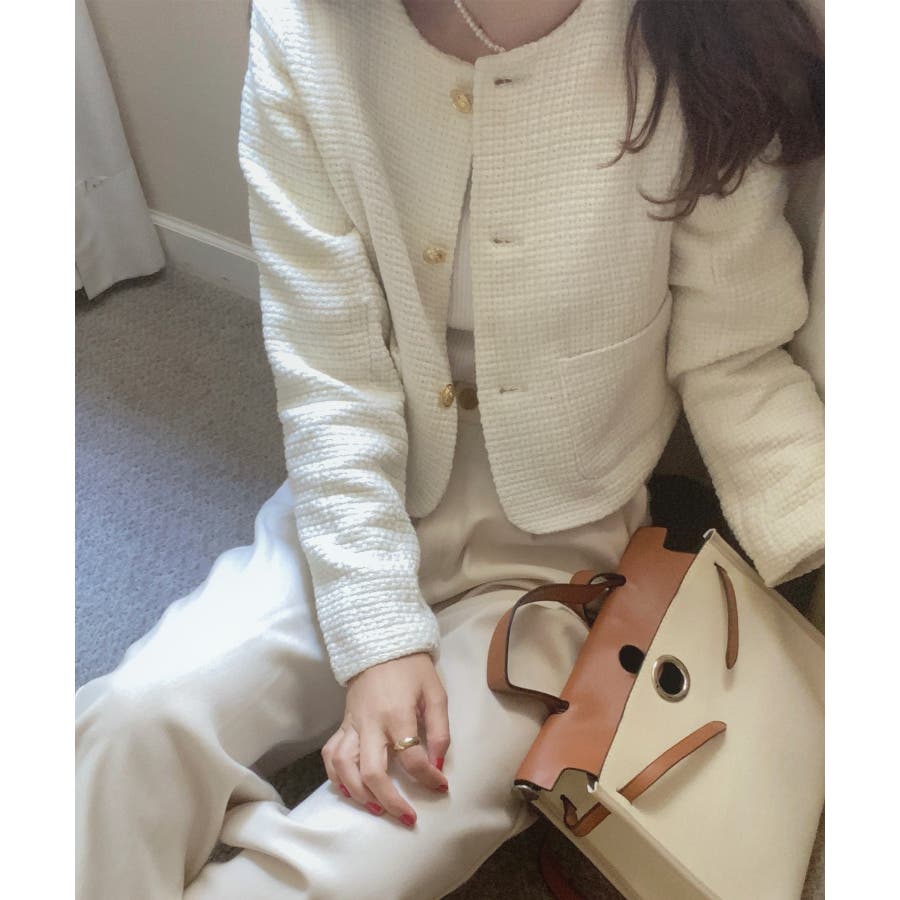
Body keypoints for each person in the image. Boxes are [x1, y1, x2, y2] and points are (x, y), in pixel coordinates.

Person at [74, 1, 826, 897]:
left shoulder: (701, 41)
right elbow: (329, 368)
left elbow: (735, 351)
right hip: (356, 502)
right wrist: (376, 638)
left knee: (359, 861)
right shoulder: (304, 28)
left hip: (556, 557)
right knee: (127, 725)